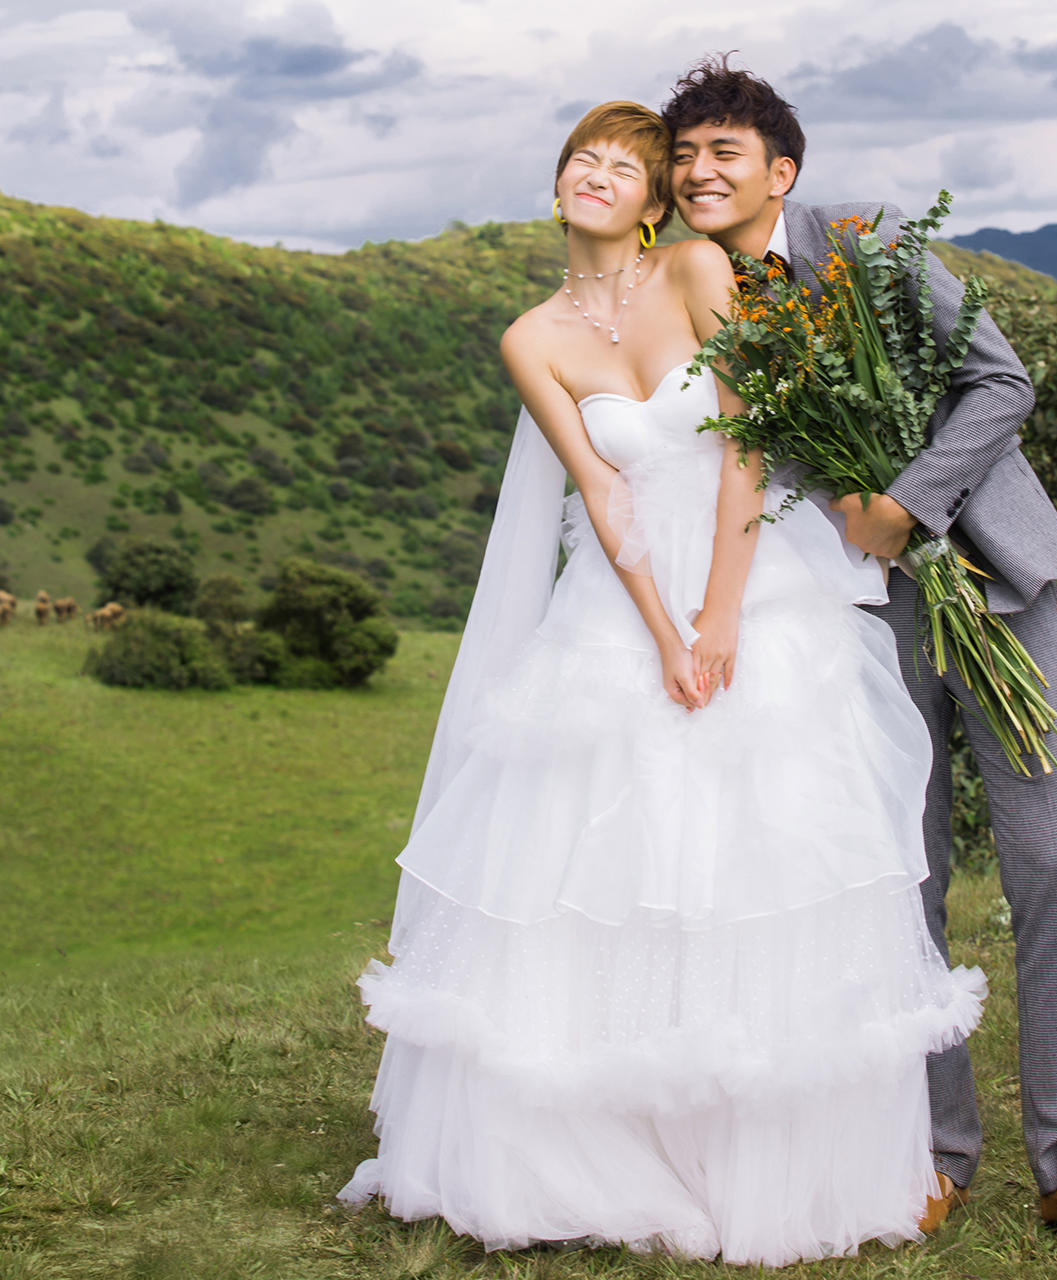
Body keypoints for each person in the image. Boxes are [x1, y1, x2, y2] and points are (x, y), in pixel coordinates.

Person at [337, 101, 985, 1264]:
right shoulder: (531, 336)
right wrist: (660, 633)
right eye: (578, 159)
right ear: (556, 185)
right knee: (607, 863)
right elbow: (600, 489)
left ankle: (759, 1149)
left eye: (623, 165)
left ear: (650, 202)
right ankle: (606, 1139)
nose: (596, 173)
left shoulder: (694, 271)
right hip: (619, 608)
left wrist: (717, 614)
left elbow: (746, 440)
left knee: (760, 853)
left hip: (754, 585)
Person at [661, 57, 1057, 1233]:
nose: (696, 172)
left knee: (1050, 861)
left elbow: (999, 383)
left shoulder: (868, 242)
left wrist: (903, 503)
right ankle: (931, 1151)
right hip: (854, 612)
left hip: (996, 580)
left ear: (781, 170)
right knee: (901, 875)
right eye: (681, 156)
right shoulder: (692, 291)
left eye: (723, 151)